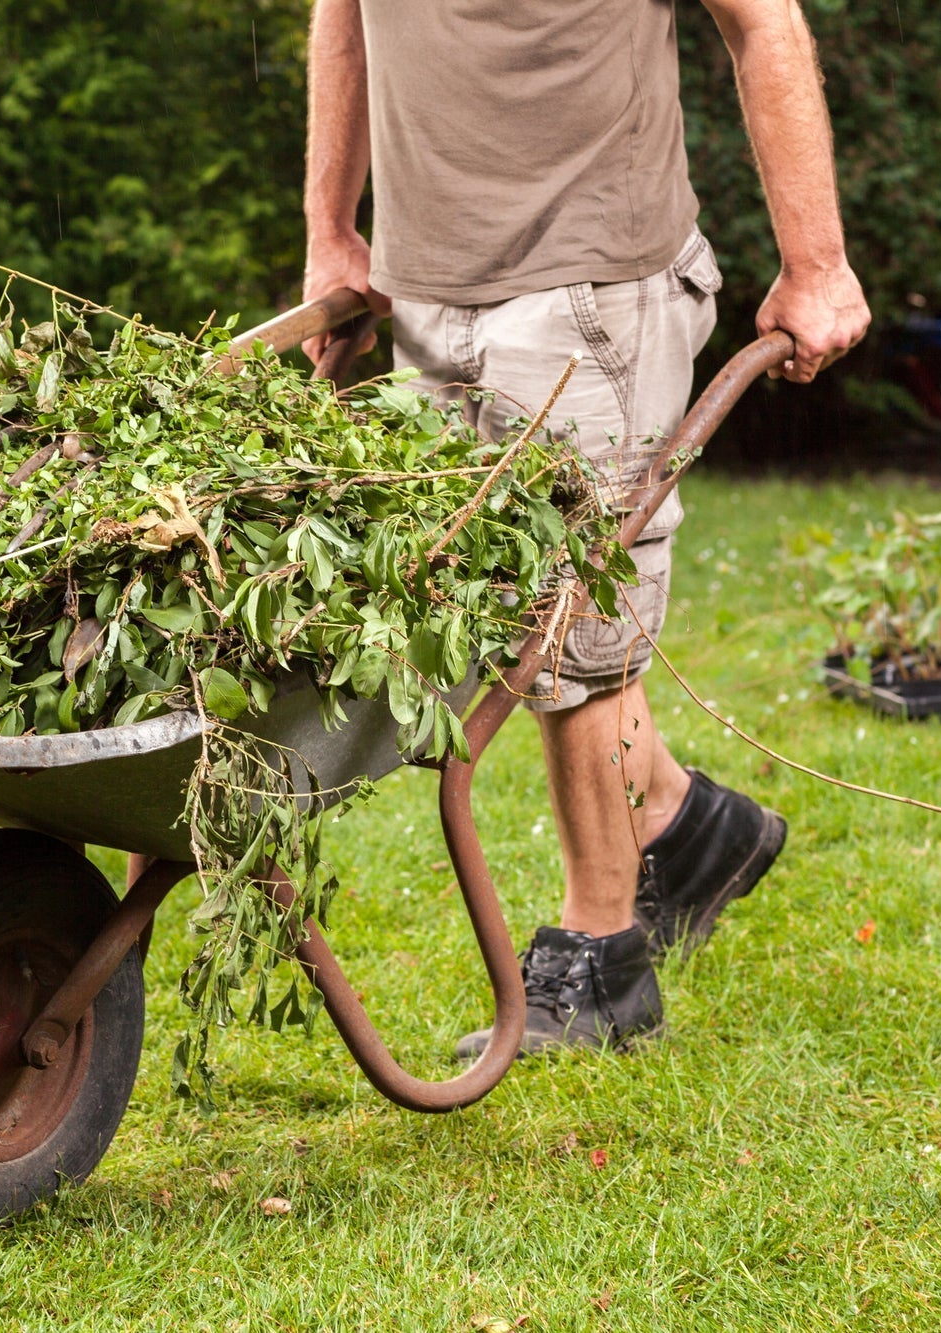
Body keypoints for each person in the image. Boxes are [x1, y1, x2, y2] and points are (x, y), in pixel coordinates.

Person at [300, 0, 872, 1057]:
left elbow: (763, 23)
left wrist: (815, 260)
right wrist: (330, 231)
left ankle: (600, 959)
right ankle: (683, 820)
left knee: (572, 628)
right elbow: (341, 16)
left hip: (592, 287)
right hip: (427, 289)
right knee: (496, 613)